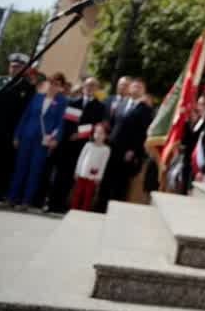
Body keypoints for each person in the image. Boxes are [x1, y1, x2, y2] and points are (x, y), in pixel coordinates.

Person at [8, 73, 69, 210]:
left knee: (34, 171)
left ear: (61, 88)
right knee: (20, 168)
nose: (53, 86)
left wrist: (56, 139)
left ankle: (26, 201)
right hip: (27, 136)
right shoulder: (37, 97)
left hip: (43, 141)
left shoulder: (62, 102)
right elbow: (25, 117)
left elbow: (60, 123)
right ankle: (12, 197)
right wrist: (17, 135)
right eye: (52, 82)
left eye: (57, 84)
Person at [0, 53, 37, 203]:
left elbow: (26, 111)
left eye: (19, 67)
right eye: (13, 66)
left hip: (11, 131)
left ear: (24, 69)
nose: (15, 69)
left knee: (4, 163)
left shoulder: (27, 87)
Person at [48, 77, 105, 213]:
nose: (90, 88)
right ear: (83, 86)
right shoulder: (72, 102)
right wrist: (70, 134)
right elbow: (66, 122)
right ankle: (51, 204)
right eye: (88, 85)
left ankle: (61, 205)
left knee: (70, 177)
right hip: (65, 144)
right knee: (58, 175)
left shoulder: (100, 107)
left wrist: (79, 134)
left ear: (97, 89)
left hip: (82, 147)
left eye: (93, 86)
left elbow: (94, 125)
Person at [100, 77, 155, 208]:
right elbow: (112, 124)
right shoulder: (121, 103)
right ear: (130, 88)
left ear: (143, 92)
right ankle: (100, 207)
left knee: (120, 183)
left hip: (127, 152)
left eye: (140, 87)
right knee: (106, 180)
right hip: (112, 147)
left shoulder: (146, 110)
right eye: (134, 86)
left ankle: (115, 209)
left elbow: (143, 133)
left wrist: (134, 150)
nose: (136, 89)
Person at [70, 121, 111, 211]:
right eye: (96, 132)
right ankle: (73, 210)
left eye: (101, 133)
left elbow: (103, 164)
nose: (98, 135)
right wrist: (77, 171)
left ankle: (84, 212)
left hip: (93, 177)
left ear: (106, 135)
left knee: (88, 195)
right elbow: (81, 159)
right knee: (78, 193)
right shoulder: (88, 145)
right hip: (82, 174)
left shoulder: (106, 149)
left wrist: (99, 177)